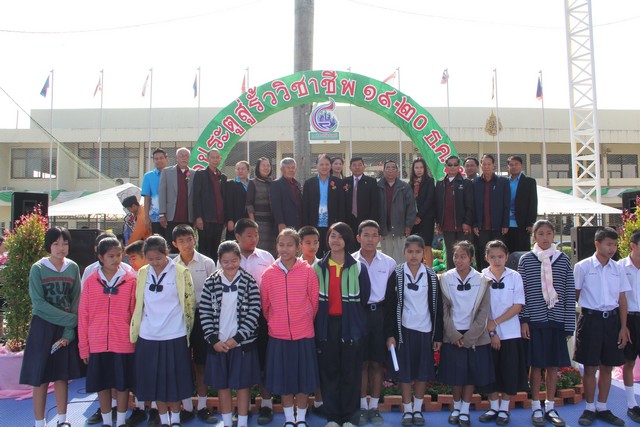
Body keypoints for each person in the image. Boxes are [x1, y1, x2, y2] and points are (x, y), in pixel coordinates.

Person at [19, 226, 84, 427]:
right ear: (49, 245)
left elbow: (76, 300)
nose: (61, 248)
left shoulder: (72, 267)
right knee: (41, 377)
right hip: (43, 327)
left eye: (65, 243)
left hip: (65, 329)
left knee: (61, 376)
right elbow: (38, 304)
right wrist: (70, 321)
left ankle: (62, 420)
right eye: (56, 243)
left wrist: (69, 330)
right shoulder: (38, 268)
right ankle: (40, 422)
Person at [130, 235, 196, 427]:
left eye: (158, 258)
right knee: (155, 382)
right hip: (148, 335)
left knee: (174, 381)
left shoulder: (181, 272)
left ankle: (175, 419)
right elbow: (139, 302)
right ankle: (163, 419)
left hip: (174, 334)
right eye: (150, 259)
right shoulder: (143, 273)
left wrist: (188, 330)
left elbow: (190, 303)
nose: (155, 263)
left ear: (167, 253)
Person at [518, 220, 575, 427]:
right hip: (535, 321)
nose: (545, 237)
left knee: (552, 366)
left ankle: (550, 406)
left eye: (549, 233)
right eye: (540, 233)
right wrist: (524, 320)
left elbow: (569, 292)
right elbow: (521, 292)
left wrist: (568, 324)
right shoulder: (526, 260)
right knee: (536, 365)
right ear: (534, 236)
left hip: (556, 320)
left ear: (553, 236)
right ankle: (535, 406)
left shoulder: (563, 260)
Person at [314, 222, 371, 427]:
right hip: (326, 326)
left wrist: (354, 321)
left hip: (350, 326)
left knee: (350, 371)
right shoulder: (317, 268)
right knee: (329, 371)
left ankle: (349, 417)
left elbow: (364, 298)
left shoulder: (358, 267)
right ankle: (332, 417)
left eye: (339, 236)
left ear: (347, 240)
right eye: (332, 236)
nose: (335, 240)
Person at [261, 229, 320, 427]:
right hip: (278, 336)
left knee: (303, 380)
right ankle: (288, 419)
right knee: (284, 381)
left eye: (289, 245)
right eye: (281, 245)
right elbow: (265, 306)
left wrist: (302, 320)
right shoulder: (268, 274)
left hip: (304, 334)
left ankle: (301, 419)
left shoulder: (308, 271)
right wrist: (277, 322)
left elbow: (314, 302)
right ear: (276, 246)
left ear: (297, 247)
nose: (284, 249)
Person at [200, 240, 262, 427]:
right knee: (222, 386)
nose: (230, 265)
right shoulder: (211, 282)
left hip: (242, 344)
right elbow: (204, 311)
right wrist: (213, 340)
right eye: (225, 262)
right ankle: (227, 422)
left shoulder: (249, 281)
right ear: (219, 261)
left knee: (243, 386)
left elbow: (254, 311)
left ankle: (242, 422)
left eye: (234, 261)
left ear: (240, 259)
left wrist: (238, 338)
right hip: (218, 344)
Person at [384, 235, 443, 427]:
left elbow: (438, 307)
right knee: (405, 372)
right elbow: (390, 306)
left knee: (421, 372)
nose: (414, 255)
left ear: (423, 253)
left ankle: (417, 409)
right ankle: (407, 409)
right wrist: (390, 334)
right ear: (404, 252)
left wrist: (438, 335)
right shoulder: (397, 273)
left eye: (418, 252)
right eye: (410, 251)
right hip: (404, 331)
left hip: (425, 330)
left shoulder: (431, 275)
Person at [574, 227, 630, 426]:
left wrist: (623, 327)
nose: (612, 248)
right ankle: (589, 408)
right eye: (609, 244)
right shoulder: (582, 267)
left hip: (612, 321)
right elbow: (575, 294)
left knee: (608, 366)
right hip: (590, 320)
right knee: (590, 366)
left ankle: (603, 407)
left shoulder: (618, 268)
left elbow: (622, 299)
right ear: (597, 244)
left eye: (615, 244)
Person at [78, 237, 137, 427]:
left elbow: (135, 314)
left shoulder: (131, 280)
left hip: (123, 342)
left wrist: (134, 341)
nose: (116, 259)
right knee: (101, 384)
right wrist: (84, 347)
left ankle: (121, 421)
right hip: (97, 343)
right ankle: (106, 421)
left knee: (122, 385)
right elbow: (83, 315)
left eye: (119, 255)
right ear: (100, 257)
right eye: (111, 256)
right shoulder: (90, 281)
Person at [439, 241, 494, 427]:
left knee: (470, 374)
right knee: (456, 374)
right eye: (456, 256)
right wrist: (453, 335)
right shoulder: (445, 278)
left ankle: (464, 409)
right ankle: (456, 407)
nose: (458, 260)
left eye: (463, 256)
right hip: (452, 334)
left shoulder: (482, 280)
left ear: (471, 259)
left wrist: (470, 337)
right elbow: (444, 310)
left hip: (474, 336)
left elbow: (483, 312)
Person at [478, 240, 528, 426]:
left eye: (500, 256)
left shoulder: (515, 276)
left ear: (507, 257)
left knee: (509, 372)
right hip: (487, 333)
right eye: (492, 257)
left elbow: (517, 305)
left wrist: (496, 323)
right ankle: (493, 407)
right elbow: (479, 308)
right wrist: (491, 331)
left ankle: (504, 409)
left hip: (511, 333)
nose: (496, 260)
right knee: (490, 372)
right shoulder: (481, 277)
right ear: (486, 257)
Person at [171, 225, 217, 424]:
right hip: (180, 317)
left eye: (189, 239)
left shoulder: (207, 263)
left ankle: (203, 405)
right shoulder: (172, 265)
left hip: (202, 316)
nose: (186, 244)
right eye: (181, 241)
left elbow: (215, 292)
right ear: (174, 244)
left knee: (201, 362)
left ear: (195, 239)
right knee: (182, 362)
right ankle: (187, 406)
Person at [352, 220, 396, 426]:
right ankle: (362, 407)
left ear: (380, 238)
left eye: (374, 235)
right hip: (358, 314)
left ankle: (374, 407)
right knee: (361, 363)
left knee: (377, 363)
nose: (370, 239)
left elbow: (392, 300)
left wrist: (390, 331)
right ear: (358, 237)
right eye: (366, 235)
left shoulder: (389, 263)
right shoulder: (350, 262)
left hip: (380, 314)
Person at [234, 218, 276, 425]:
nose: (254, 239)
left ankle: (266, 405)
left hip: (263, 316)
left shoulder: (266, 257)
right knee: (242, 362)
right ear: (237, 237)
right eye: (249, 236)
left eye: (256, 235)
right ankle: (244, 406)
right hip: (236, 318)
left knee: (264, 360)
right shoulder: (229, 257)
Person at [435, 155, 474, 270]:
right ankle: (451, 275)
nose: (453, 167)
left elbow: (470, 205)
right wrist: (438, 222)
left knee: (464, 252)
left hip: (462, 226)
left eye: (455, 164)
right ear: (446, 166)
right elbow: (437, 205)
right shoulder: (440, 183)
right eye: (450, 164)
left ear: (459, 166)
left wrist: (467, 222)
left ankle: (467, 275)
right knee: (450, 253)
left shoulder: (466, 183)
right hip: (447, 226)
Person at [473, 154, 510, 270]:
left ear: (494, 165)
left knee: (498, 252)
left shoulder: (503, 182)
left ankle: (498, 274)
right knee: (482, 253)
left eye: (489, 164)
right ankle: (483, 276)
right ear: (480, 166)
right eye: (484, 164)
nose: (486, 166)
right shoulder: (475, 182)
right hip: (481, 227)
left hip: (498, 226)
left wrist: (505, 223)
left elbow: (506, 204)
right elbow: (472, 205)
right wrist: (474, 224)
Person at [302, 154, 345, 256]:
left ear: (330, 166)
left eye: (327, 164)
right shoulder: (309, 183)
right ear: (316, 166)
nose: (324, 167)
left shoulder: (338, 183)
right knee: (315, 253)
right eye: (321, 164)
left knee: (331, 253)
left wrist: (340, 224)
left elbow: (342, 206)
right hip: (314, 225)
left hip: (332, 225)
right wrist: (306, 226)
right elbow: (305, 207)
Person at [377, 160, 417, 263]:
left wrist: (408, 225)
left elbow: (411, 208)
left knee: (401, 257)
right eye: (388, 168)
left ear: (397, 172)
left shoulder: (404, 187)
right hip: (384, 228)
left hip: (400, 227)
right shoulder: (378, 186)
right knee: (386, 257)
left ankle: (400, 274)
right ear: (383, 171)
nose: (390, 170)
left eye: (393, 168)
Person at [192, 148, 227, 261]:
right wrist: (198, 217)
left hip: (219, 219)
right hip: (205, 219)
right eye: (213, 157)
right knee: (204, 249)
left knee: (216, 249)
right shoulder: (201, 174)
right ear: (207, 159)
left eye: (217, 157)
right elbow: (196, 197)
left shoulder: (222, 177)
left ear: (220, 159)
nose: (215, 160)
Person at [621, 229, 640, 424]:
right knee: (629, 361)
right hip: (629, 319)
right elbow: (618, 298)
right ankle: (631, 404)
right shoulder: (619, 267)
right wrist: (623, 325)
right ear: (633, 245)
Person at [159, 147, 194, 248]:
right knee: (171, 245)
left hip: (188, 216)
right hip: (171, 216)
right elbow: (162, 194)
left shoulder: (194, 173)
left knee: (186, 245)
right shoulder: (166, 172)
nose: (184, 158)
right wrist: (162, 214)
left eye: (186, 156)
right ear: (176, 158)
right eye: (181, 155)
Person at [504, 155, 538, 253]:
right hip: (506, 226)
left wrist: (531, 223)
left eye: (516, 164)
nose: (514, 166)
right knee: (507, 253)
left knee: (522, 253)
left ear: (521, 166)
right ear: (508, 167)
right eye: (511, 165)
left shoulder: (529, 182)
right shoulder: (504, 182)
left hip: (522, 225)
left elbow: (533, 203)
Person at [344, 157, 379, 247]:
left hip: (365, 219)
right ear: (350, 167)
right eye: (354, 165)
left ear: (364, 167)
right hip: (348, 219)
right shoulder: (345, 182)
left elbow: (375, 203)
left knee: (364, 244)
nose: (357, 167)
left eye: (360, 165)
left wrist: (372, 221)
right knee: (349, 244)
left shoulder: (371, 182)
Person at [246, 157, 276, 256]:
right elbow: (249, 204)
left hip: (272, 222)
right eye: (263, 165)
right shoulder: (253, 183)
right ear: (258, 168)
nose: (266, 168)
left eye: (268, 165)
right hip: (259, 223)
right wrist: (253, 223)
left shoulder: (274, 183)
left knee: (272, 251)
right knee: (260, 250)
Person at [409, 158, 436, 266]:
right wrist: (413, 217)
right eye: (416, 167)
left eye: (421, 167)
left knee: (426, 245)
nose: (419, 170)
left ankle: (429, 271)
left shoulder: (430, 181)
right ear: (413, 169)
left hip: (426, 219)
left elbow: (429, 199)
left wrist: (419, 216)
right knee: (415, 245)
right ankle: (416, 269)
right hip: (413, 220)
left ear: (425, 169)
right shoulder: (410, 183)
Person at [141, 148, 169, 235]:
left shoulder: (173, 174)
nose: (159, 160)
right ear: (153, 161)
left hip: (171, 217)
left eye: (161, 158)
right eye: (156, 159)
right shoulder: (148, 176)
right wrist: (146, 218)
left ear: (167, 159)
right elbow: (146, 198)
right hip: (155, 218)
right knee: (158, 241)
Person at [271, 157, 303, 232]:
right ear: (282, 170)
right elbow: (276, 206)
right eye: (288, 168)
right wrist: (280, 223)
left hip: (298, 223)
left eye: (293, 168)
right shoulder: (276, 184)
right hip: (285, 224)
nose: (291, 170)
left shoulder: (297, 184)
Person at [225, 160, 251, 240]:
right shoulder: (231, 184)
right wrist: (229, 220)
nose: (240, 171)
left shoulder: (252, 184)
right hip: (235, 219)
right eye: (238, 169)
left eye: (243, 169)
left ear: (248, 170)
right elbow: (228, 203)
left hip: (249, 219)